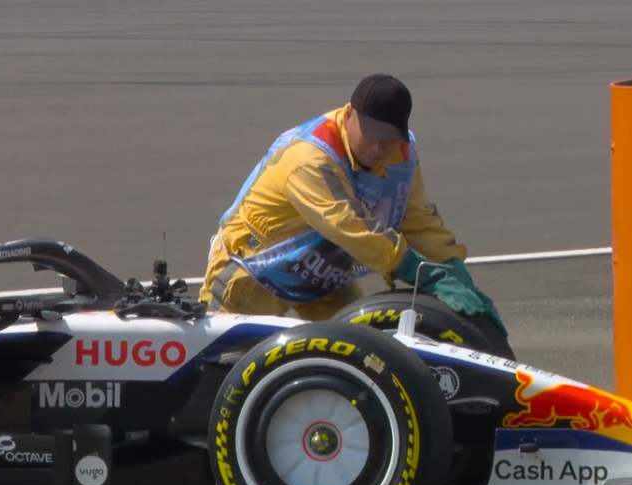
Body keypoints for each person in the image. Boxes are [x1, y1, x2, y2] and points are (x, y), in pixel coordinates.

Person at [198, 73, 506, 334]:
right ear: (349, 115)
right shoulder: (309, 159)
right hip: (257, 271)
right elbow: (349, 227)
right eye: (371, 134)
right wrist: (420, 271)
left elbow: (416, 218)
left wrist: (451, 267)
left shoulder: (403, 154)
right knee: (231, 368)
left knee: (363, 347)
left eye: (388, 138)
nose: (378, 147)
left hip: (321, 273)